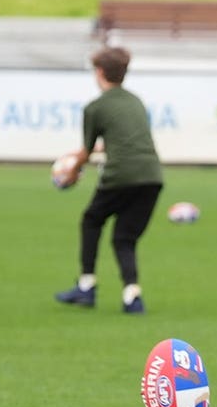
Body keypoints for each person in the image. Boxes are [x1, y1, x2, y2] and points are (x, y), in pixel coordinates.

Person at [54, 46, 163, 315]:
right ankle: (132, 296)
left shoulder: (95, 108)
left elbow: (88, 150)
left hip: (121, 175)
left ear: (99, 72)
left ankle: (86, 286)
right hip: (152, 176)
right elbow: (128, 142)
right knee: (124, 238)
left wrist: (70, 173)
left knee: (91, 220)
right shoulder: (135, 101)